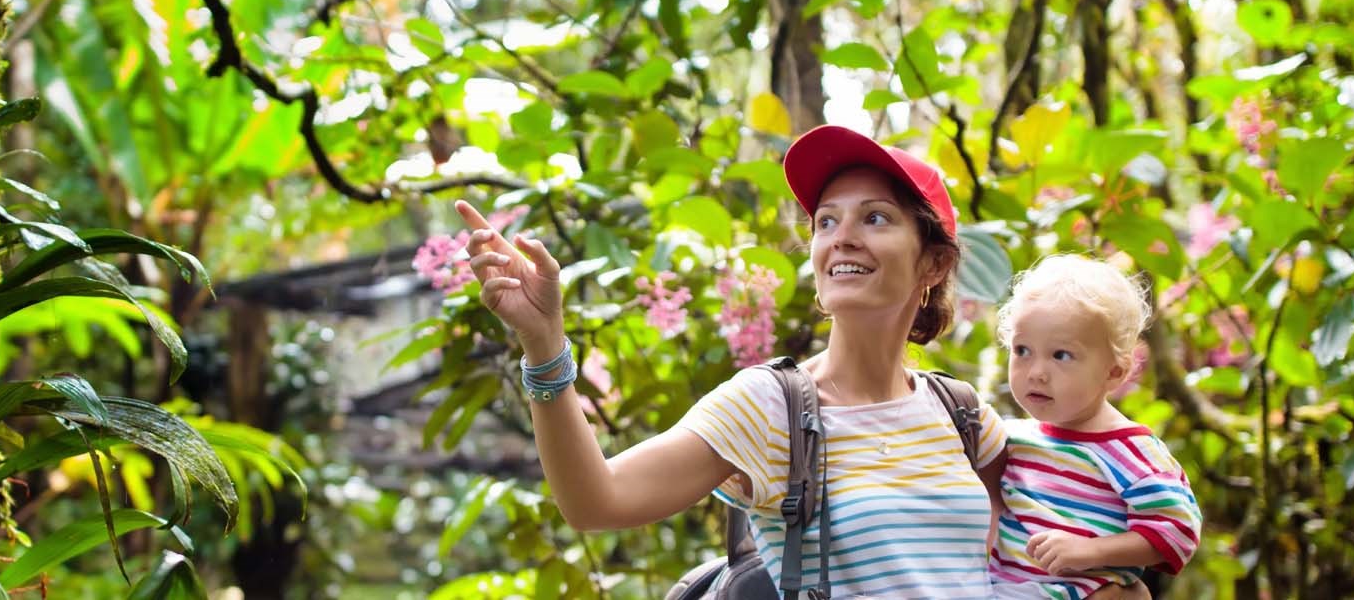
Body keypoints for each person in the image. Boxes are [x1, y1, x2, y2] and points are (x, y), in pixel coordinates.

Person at [456, 124, 1147, 598]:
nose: (841, 236)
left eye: (875, 217)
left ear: (932, 261)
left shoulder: (962, 414)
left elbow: (1038, 550)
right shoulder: (766, 406)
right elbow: (595, 501)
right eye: (825, 220)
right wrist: (545, 347)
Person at [986, 254, 1202, 598]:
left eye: (1061, 355)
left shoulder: (1131, 450)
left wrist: (1091, 552)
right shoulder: (1010, 437)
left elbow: (1177, 531)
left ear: (1114, 372)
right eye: (1022, 350)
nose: (1036, 371)